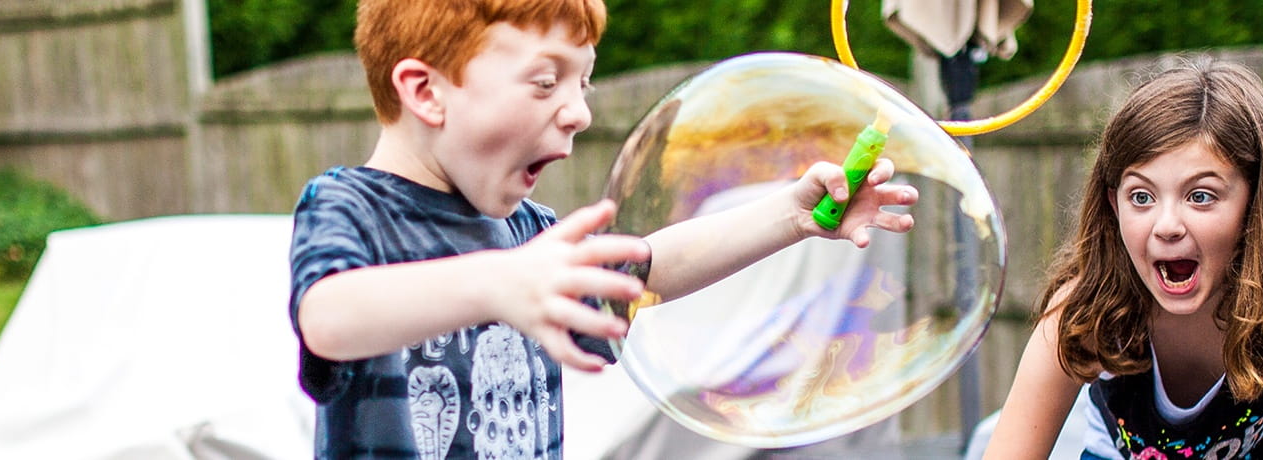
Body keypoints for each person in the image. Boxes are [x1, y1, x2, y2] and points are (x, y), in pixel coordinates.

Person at [287, 0, 919, 458]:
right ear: (426, 91)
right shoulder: (350, 206)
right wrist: (497, 283)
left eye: (583, 83)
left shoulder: (531, 234)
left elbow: (649, 267)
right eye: (546, 81)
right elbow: (328, 318)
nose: (580, 112)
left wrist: (791, 215)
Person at [984, 60, 1263, 459]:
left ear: (1256, 203)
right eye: (1141, 196)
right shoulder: (1084, 313)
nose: (1167, 224)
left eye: (1200, 196)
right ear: (1113, 205)